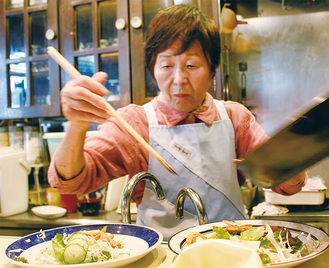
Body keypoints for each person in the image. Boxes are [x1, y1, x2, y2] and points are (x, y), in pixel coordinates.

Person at [48, 5, 307, 240]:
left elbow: (286, 185)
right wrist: (77, 126)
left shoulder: (234, 117)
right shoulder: (135, 123)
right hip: (163, 258)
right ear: (154, 70)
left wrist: (297, 156)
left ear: (212, 69)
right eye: (167, 65)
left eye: (192, 65)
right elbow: (70, 182)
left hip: (233, 254)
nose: (179, 78)